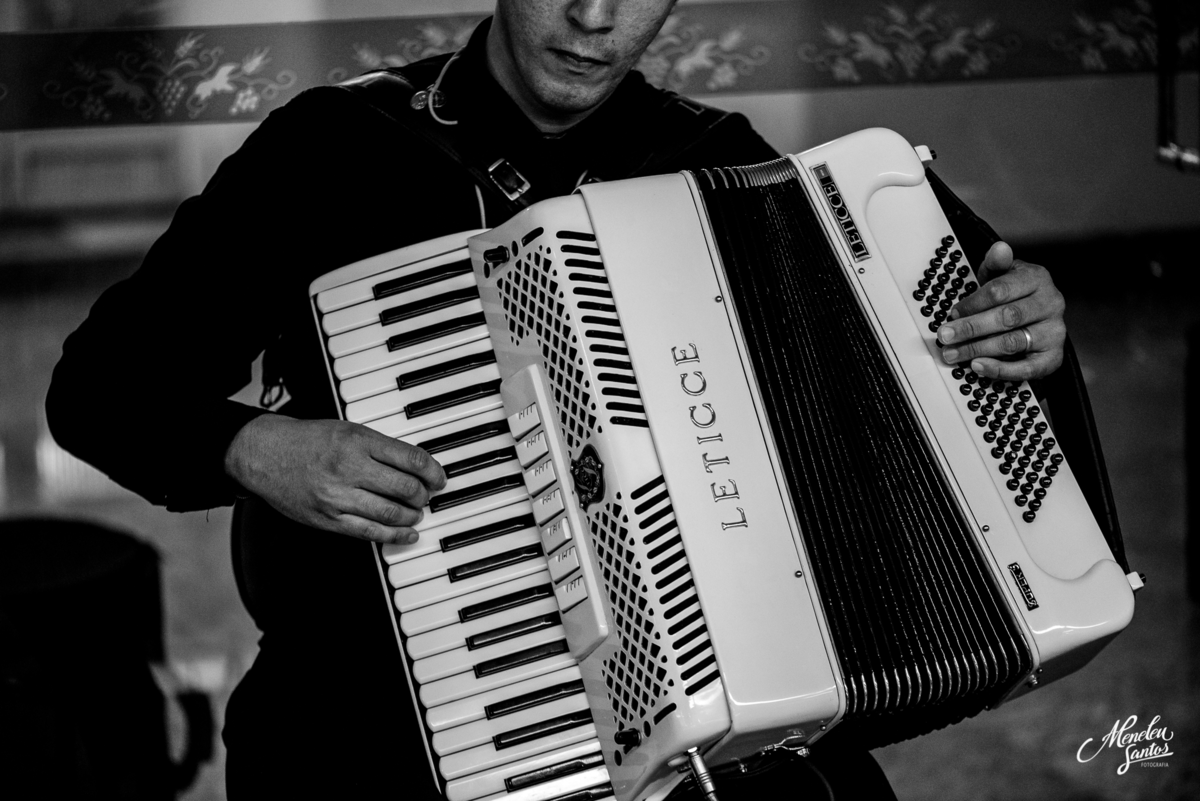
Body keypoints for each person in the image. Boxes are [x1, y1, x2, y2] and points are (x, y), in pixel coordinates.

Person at [46, 1, 1068, 797]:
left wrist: (1019, 327)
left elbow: (968, 309)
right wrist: (251, 447)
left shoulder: (726, 166)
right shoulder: (329, 152)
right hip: (379, 712)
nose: (594, 20)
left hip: (714, 708)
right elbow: (97, 390)